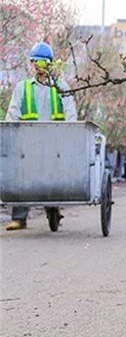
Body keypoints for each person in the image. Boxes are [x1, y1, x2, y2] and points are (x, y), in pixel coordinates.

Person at [4, 42, 78, 231]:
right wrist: (9, 131)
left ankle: (53, 211)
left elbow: (70, 112)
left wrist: (70, 131)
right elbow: (13, 113)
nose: (38, 65)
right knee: (23, 176)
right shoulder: (23, 87)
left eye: (42, 61)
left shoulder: (61, 86)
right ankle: (19, 218)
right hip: (28, 140)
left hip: (54, 141)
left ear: (50, 64)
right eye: (35, 61)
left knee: (51, 176)